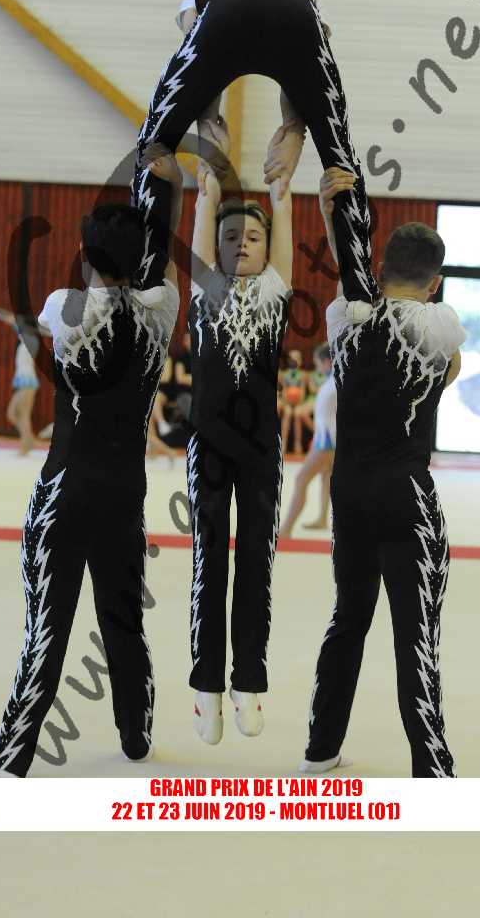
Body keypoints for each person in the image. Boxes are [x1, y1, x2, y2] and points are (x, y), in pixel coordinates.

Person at [0, 149, 183, 777]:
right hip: (125, 493)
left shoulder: (64, 307)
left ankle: (9, 757)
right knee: (123, 620)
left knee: (47, 624)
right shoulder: (162, 312)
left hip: (67, 488)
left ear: (83, 255)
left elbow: (88, 300)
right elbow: (160, 264)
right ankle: (136, 735)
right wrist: (169, 191)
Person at [301, 169, 465, 778]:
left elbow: (350, 284)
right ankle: (431, 765)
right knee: (415, 630)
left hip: (350, 492)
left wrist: (332, 214)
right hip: (406, 492)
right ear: (434, 282)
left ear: (381, 268)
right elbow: (448, 372)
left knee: (348, 618)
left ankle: (321, 749)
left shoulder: (343, 320)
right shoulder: (439, 329)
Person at [131, 0, 375, 317]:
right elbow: (310, 65)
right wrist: (294, 131)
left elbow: (196, 60)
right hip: (295, 21)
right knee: (341, 160)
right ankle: (360, 291)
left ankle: (147, 278)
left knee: (152, 148)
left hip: (226, 17)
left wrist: (207, 125)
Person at [186, 118, 295, 746]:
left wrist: (283, 188)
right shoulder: (204, 287)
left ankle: (248, 679)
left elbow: (281, 212)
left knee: (256, 560)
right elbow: (205, 208)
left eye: (255, 236)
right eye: (232, 237)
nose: (243, 244)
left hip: (260, 450)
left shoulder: (276, 291)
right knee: (210, 560)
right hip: (209, 447)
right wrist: (210, 179)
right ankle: (206, 686)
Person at [278, 343, 336, 538]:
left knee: (301, 478)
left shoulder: (334, 384)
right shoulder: (331, 382)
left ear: (327, 362)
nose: (317, 368)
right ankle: (322, 519)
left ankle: (287, 528)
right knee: (326, 477)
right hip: (326, 438)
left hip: (326, 441)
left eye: (318, 363)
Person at [0, 304, 44, 455]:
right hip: (23, 381)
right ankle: (29, 439)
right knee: (12, 414)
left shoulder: (31, 341)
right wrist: (14, 322)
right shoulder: (27, 340)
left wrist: (15, 322)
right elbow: (20, 329)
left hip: (28, 381)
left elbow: (22, 329)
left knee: (23, 414)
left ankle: (25, 446)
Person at [278, 348, 307, 451]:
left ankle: (297, 442)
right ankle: (284, 442)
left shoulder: (303, 375)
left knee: (298, 413)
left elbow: (302, 392)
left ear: (300, 361)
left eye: (296, 359)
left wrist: (297, 400)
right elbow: (284, 391)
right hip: (287, 402)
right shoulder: (284, 375)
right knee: (288, 412)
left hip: (299, 402)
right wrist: (288, 400)